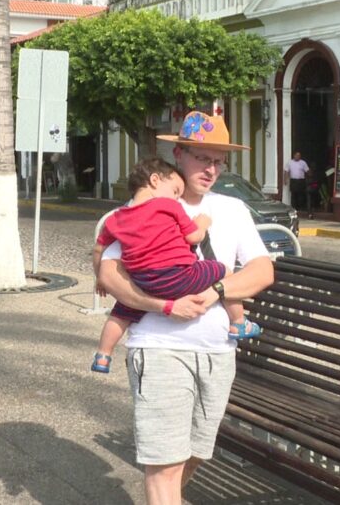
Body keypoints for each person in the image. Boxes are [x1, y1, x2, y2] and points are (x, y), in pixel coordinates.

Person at [97, 111, 274, 505]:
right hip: (159, 348)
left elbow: (262, 272)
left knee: (194, 453)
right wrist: (162, 305)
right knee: (165, 463)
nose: (211, 169)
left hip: (217, 353)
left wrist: (216, 290)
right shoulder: (140, 208)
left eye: (218, 160)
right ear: (178, 155)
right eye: (201, 158)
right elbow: (110, 276)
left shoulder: (231, 209)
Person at [90, 157, 260, 374]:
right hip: (178, 276)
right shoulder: (167, 205)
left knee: (121, 312)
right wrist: (203, 222)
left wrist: (98, 279)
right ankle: (239, 321)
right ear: (154, 180)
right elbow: (194, 237)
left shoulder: (115, 219)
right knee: (223, 271)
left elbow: (98, 250)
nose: (177, 197)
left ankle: (103, 355)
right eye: (175, 190)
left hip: (142, 281)